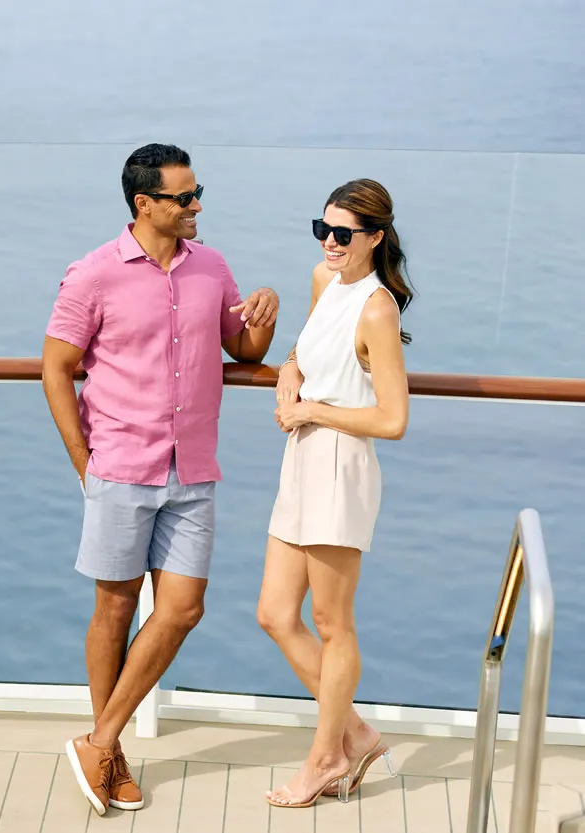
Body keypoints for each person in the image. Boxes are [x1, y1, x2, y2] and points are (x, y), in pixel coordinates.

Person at [41, 143, 280, 815]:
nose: (197, 204)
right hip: (119, 463)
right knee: (114, 608)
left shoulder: (213, 267)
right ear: (144, 204)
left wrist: (264, 310)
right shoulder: (92, 274)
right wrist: (84, 463)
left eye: (198, 191)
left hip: (192, 467)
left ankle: (100, 738)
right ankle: (109, 757)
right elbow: (56, 368)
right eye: (184, 196)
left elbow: (247, 350)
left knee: (182, 608)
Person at [258, 178, 413, 808]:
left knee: (330, 621)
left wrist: (315, 408)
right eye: (322, 229)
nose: (329, 242)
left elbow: (392, 419)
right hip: (302, 459)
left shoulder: (378, 308)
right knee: (273, 612)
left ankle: (326, 756)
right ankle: (355, 734)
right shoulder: (325, 282)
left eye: (343, 234)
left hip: (341, 467)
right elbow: (308, 345)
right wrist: (291, 367)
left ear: (375, 238)